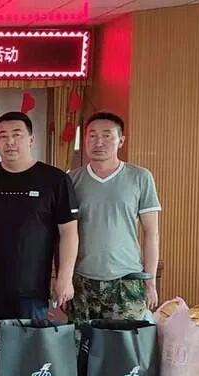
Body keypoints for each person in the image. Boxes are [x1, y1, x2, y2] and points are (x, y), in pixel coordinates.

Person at [0, 112, 79, 324]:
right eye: (3, 136)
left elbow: (69, 233)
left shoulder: (55, 180)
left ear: (31, 139)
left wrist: (65, 278)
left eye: (17, 135)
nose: (10, 142)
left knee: (27, 345)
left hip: (30, 290)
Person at [69, 112, 161, 320]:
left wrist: (150, 281)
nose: (98, 142)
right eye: (92, 135)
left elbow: (151, 234)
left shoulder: (140, 177)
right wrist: (63, 278)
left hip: (126, 280)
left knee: (126, 340)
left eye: (107, 135)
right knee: (82, 339)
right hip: (82, 280)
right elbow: (64, 233)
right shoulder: (72, 180)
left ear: (121, 141)